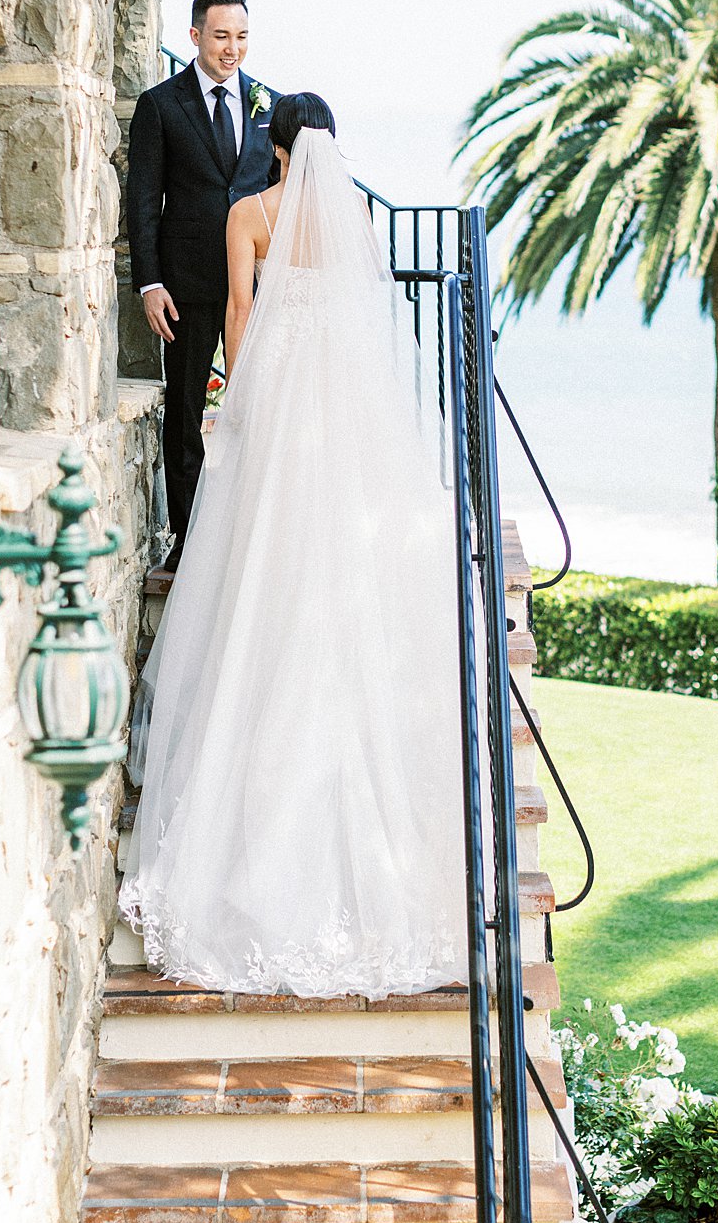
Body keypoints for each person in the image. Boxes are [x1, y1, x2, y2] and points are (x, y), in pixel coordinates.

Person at [120, 94, 467, 999]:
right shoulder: (350, 213)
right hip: (343, 410)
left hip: (282, 394)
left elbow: (238, 312)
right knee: (339, 558)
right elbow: (366, 316)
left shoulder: (251, 213)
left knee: (261, 560)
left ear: (272, 150)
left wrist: (236, 397)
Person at [125, 0, 280, 573]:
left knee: (260, 409)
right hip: (185, 289)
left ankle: (252, 538)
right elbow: (143, 201)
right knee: (186, 415)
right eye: (221, 37)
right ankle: (189, 543)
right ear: (195, 37)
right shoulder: (161, 106)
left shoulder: (271, 105)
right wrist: (149, 283)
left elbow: (277, 188)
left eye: (241, 37)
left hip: (255, 290)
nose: (232, 49)